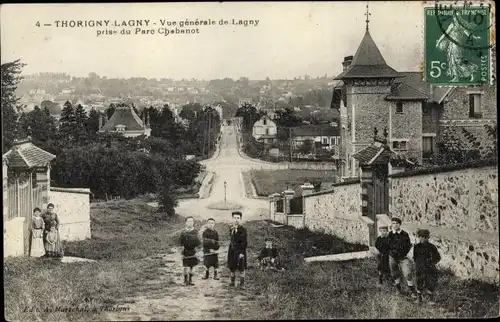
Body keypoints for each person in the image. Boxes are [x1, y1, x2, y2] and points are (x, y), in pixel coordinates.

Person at [388, 217, 417, 298]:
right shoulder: (389, 234)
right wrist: (391, 253)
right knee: (394, 273)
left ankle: (412, 290)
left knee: (407, 273)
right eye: (393, 223)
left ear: (400, 225)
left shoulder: (404, 234)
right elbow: (388, 245)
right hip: (392, 257)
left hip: (402, 257)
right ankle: (398, 289)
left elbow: (408, 246)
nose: (395, 225)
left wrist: (402, 253)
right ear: (391, 224)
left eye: (397, 223)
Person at [413, 229, 441, 305]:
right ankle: (419, 298)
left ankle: (430, 299)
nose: (422, 239)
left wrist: (431, 263)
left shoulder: (432, 247)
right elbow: (415, 257)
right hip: (419, 267)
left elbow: (438, 257)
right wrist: (418, 264)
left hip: (429, 268)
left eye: (424, 237)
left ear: (428, 238)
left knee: (430, 282)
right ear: (419, 237)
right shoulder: (416, 246)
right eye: (421, 237)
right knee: (419, 282)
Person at [227, 211, 247, 289]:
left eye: (238, 218)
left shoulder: (243, 230)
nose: (236, 220)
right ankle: (232, 282)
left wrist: (242, 253)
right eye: (234, 218)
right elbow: (232, 239)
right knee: (232, 266)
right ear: (232, 219)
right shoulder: (231, 228)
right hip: (232, 250)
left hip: (240, 251)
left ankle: (242, 284)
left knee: (241, 267)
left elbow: (244, 242)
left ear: (241, 219)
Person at [180, 216, 200, 286]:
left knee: (192, 267)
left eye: (191, 221)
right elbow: (181, 243)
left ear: (193, 222)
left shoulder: (195, 232)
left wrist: (196, 252)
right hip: (185, 251)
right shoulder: (183, 232)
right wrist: (182, 253)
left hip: (193, 251)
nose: (190, 223)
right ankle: (185, 280)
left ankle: (190, 280)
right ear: (185, 223)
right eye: (188, 221)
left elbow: (198, 243)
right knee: (185, 267)